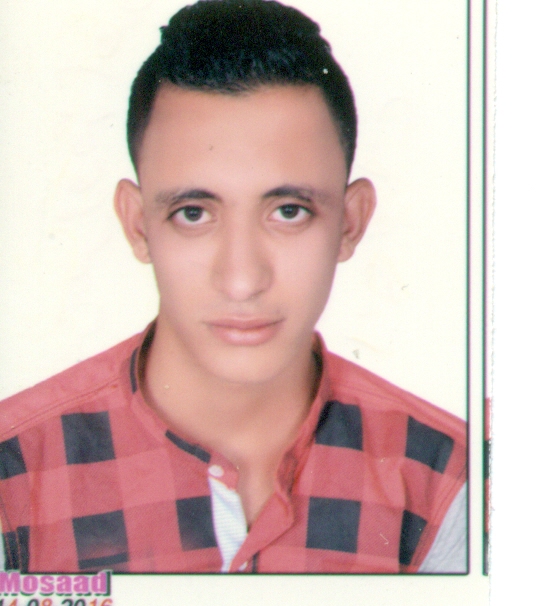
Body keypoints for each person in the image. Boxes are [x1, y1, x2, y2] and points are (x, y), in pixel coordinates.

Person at [0, 0, 466, 573]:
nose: (242, 280)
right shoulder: (12, 477)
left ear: (351, 222)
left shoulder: (451, 486)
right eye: (193, 213)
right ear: (137, 224)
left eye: (289, 211)